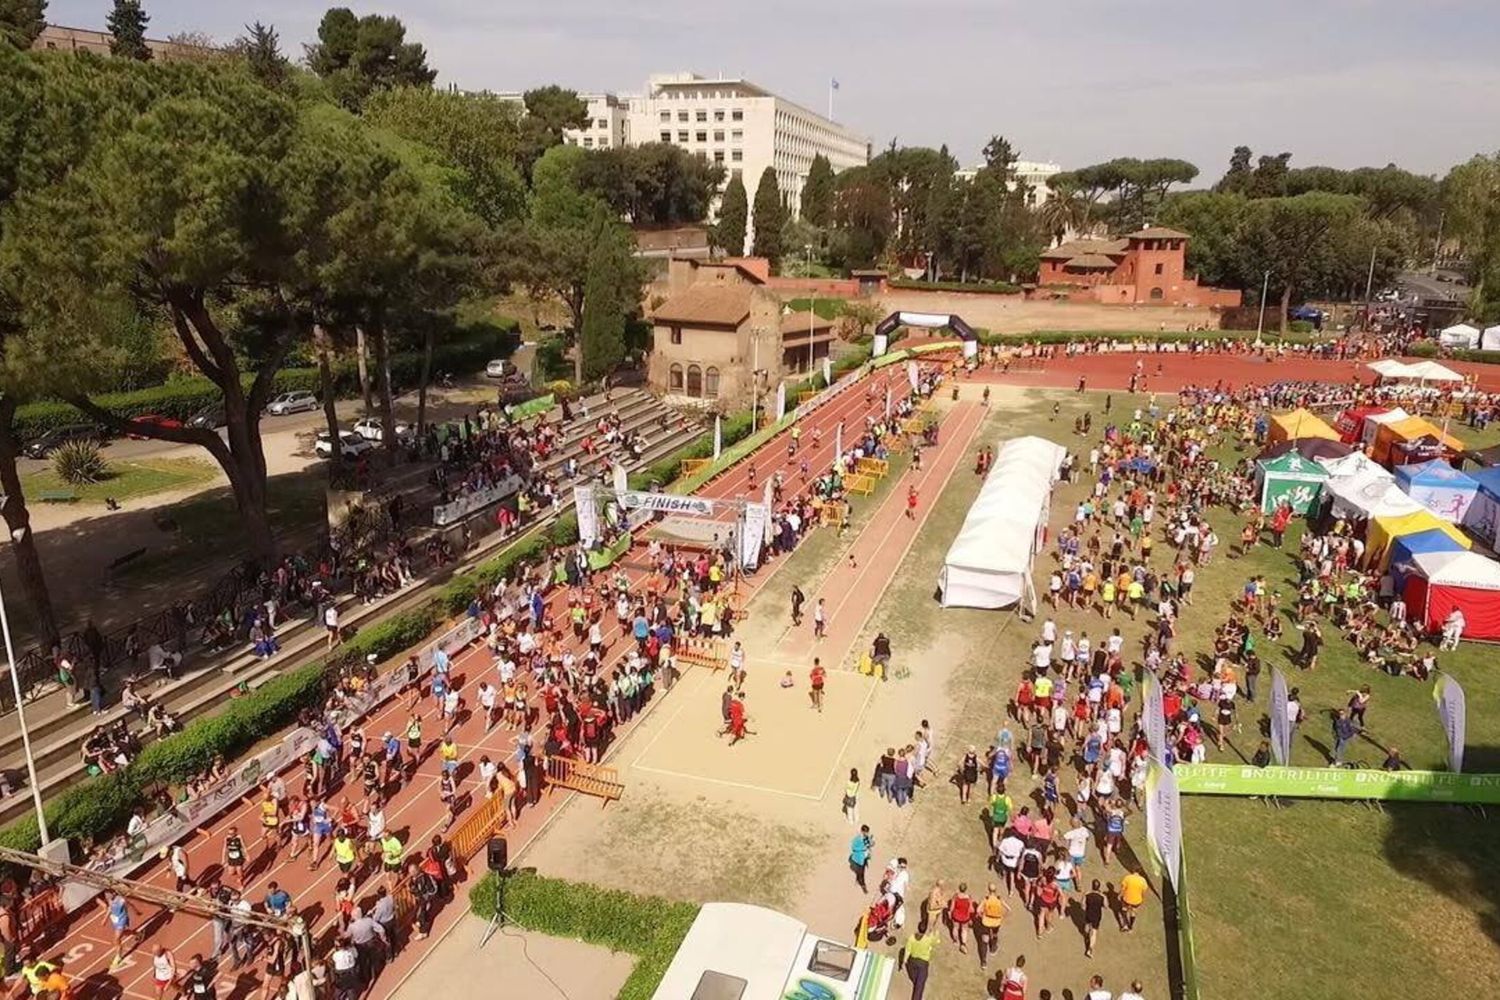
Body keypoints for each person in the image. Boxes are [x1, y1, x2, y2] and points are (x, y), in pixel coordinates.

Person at [101, 891, 140, 971]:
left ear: (114, 893)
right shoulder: (110, 900)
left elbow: (130, 905)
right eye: (106, 895)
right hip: (115, 920)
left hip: (122, 920)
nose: (107, 896)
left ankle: (118, 957)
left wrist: (136, 911)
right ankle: (136, 934)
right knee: (122, 934)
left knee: (116, 939)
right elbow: (110, 908)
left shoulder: (121, 900)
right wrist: (105, 918)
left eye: (108, 894)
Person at [902, 926, 937, 1000]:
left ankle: (917, 982)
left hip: (913, 960)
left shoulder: (912, 938)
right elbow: (935, 942)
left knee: (914, 977)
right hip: (923, 963)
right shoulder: (928, 939)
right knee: (919, 986)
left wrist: (904, 961)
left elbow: (907, 950)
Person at [977, 884, 1007, 970]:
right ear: (996, 890)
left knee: (984, 940)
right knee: (994, 934)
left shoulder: (986, 899)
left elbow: (978, 910)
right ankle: (993, 948)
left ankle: (983, 962)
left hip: (986, 921)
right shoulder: (999, 899)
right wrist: (1002, 917)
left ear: (988, 890)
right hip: (996, 921)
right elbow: (1009, 909)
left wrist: (982, 916)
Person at [946, 882, 974, 953]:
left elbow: (952, 907)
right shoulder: (969, 898)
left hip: (956, 916)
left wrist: (949, 913)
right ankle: (963, 944)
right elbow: (971, 909)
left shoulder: (955, 897)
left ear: (959, 888)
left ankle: (955, 941)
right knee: (964, 930)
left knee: (955, 928)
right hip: (965, 917)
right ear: (965, 889)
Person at [1083, 878, 1106, 957]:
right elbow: (1106, 906)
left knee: (1087, 927)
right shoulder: (1102, 896)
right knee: (1094, 933)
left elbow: (1082, 905)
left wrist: (1085, 896)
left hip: (1088, 914)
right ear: (1099, 887)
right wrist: (1104, 896)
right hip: (1097, 915)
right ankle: (1090, 949)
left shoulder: (1087, 894)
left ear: (1092, 886)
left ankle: (1086, 935)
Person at [849, 825, 874, 892]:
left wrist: (872, 843)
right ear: (862, 831)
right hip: (859, 859)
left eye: (867, 832)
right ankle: (863, 885)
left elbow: (869, 844)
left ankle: (858, 879)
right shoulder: (857, 839)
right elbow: (853, 848)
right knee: (861, 873)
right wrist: (863, 848)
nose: (867, 833)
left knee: (861, 871)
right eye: (865, 832)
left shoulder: (867, 837)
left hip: (864, 857)